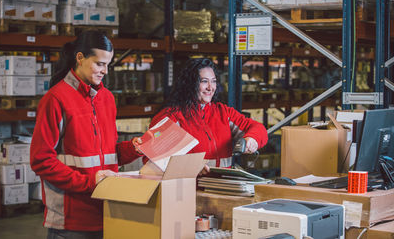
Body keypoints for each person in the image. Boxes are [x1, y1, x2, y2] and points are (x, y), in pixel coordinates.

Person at [30, 30, 142, 239]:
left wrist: (136, 148)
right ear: (79, 58)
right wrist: (90, 182)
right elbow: (41, 160)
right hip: (71, 221)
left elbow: (108, 155)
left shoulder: (106, 99)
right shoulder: (56, 99)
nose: (105, 71)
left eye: (108, 64)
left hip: (107, 212)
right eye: (99, 64)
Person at [147, 58, 268, 174]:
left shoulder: (223, 113)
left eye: (213, 81)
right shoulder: (172, 117)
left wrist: (252, 140)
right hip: (190, 189)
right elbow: (152, 160)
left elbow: (257, 128)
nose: (210, 87)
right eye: (204, 81)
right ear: (190, 84)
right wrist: (188, 168)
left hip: (222, 186)